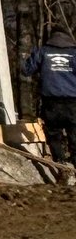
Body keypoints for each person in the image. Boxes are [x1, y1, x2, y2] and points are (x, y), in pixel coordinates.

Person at [29, 27, 76, 169]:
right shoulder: (74, 53)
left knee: (53, 134)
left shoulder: (43, 52)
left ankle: (59, 164)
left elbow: (26, 70)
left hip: (51, 103)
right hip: (73, 102)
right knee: (75, 134)